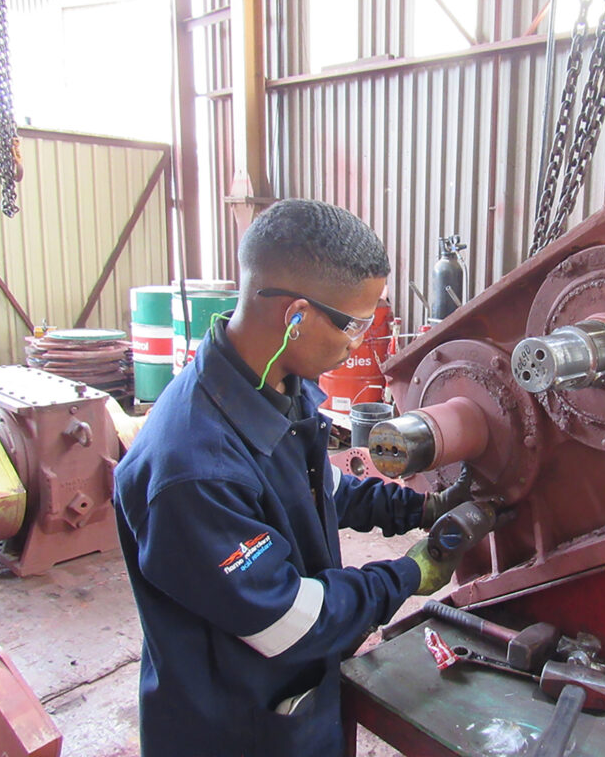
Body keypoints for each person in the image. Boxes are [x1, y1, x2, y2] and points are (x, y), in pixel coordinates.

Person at [114, 199, 472, 757]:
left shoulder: (275, 383)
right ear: (297, 315)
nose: (359, 343)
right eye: (353, 324)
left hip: (296, 699)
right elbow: (285, 619)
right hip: (233, 728)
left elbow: (317, 489)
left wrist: (417, 509)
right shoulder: (194, 470)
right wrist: (406, 575)